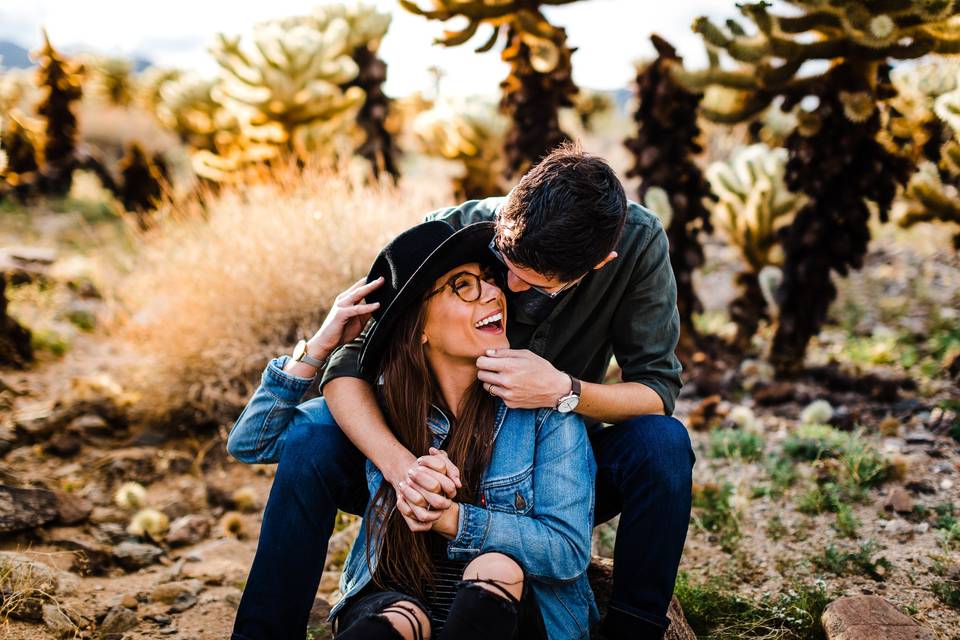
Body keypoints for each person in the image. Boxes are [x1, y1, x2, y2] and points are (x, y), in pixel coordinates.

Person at [230, 141, 695, 640]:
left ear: (600, 264)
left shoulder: (638, 244)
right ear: (509, 212)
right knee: (311, 436)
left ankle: (632, 632)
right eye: (501, 265)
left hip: (544, 471)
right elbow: (351, 364)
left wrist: (564, 390)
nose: (507, 291)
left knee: (661, 443)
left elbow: (656, 388)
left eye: (536, 286)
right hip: (422, 447)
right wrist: (399, 467)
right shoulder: (449, 235)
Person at [229, 221, 597, 639]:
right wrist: (317, 347)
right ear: (418, 325)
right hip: (400, 601)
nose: (493, 293)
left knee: (496, 567)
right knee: (400, 619)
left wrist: (453, 519)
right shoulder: (378, 411)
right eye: (464, 285)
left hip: (505, 613)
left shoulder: (543, 409)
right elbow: (251, 444)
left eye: (490, 280)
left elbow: (567, 552)